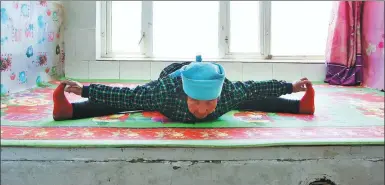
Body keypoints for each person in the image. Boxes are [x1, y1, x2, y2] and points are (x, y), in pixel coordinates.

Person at [53, 62, 315, 123]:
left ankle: (299, 107)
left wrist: (292, 88)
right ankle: (70, 110)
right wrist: (85, 90)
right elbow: (125, 95)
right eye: (196, 103)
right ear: (186, 96)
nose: (202, 111)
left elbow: (258, 87)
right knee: (132, 101)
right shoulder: (162, 93)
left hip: (206, 71)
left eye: (209, 104)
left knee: (250, 98)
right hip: (172, 73)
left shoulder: (228, 93)